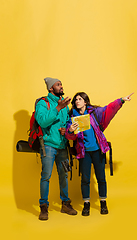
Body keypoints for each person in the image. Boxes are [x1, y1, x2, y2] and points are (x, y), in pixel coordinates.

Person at [65, 92, 133, 216]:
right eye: (76, 100)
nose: (77, 101)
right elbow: (70, 137)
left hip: (98, 150)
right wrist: (70, 130)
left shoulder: (95, 113)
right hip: (83, 152)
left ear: (85, 102)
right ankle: (86, 204)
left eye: (80, 99)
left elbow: (109, 109)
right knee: (85, 179)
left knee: (101, 178)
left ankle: (103, 202)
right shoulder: (71, 118)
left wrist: (121, 100)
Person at [35, 77, 77, 220]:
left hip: (63, 146)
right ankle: (44, 207)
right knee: (46, 176)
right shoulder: (43, 103)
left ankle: (65, 204)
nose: (61, 86)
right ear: (50, 88)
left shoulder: (65, 104)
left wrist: (66, 129)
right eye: (58, 84)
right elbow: (42, 121)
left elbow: (66, 121)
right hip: (48, 146)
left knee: (64, 174)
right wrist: (57, 107)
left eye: (61, 84)